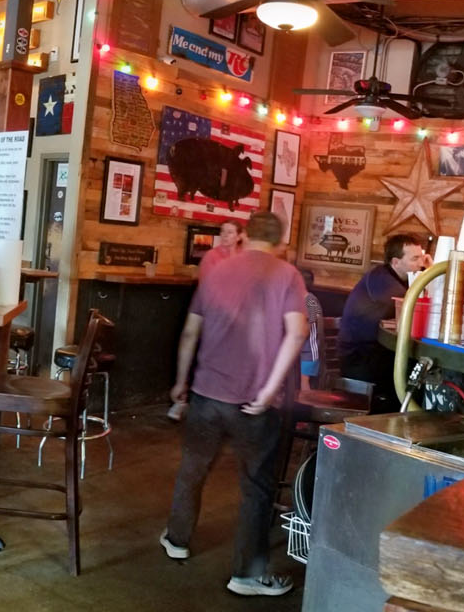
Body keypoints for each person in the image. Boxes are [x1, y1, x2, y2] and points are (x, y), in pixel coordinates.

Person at [161, 211, 307, 597]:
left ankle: (176, 538)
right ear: (281, 239)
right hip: (254, 404)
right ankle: (246, 575)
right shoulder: (287, 275)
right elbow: (296, 334)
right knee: (257, 487)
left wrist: (180, 382)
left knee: (193, 468)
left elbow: (191, 330)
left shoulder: (217, 272)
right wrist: (268, 389)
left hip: (207, 392)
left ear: (244, 236)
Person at [338, 233, 432, 397]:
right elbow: (414, 305)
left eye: (422, 258)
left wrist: (429, 271)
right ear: (395, 262)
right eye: (414, 259)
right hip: (360, 361)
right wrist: (431, 272)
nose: (420, 264)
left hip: (373, 355)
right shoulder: (383, 280)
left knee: (416, 372)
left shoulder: (396, 277)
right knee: (415, 379)